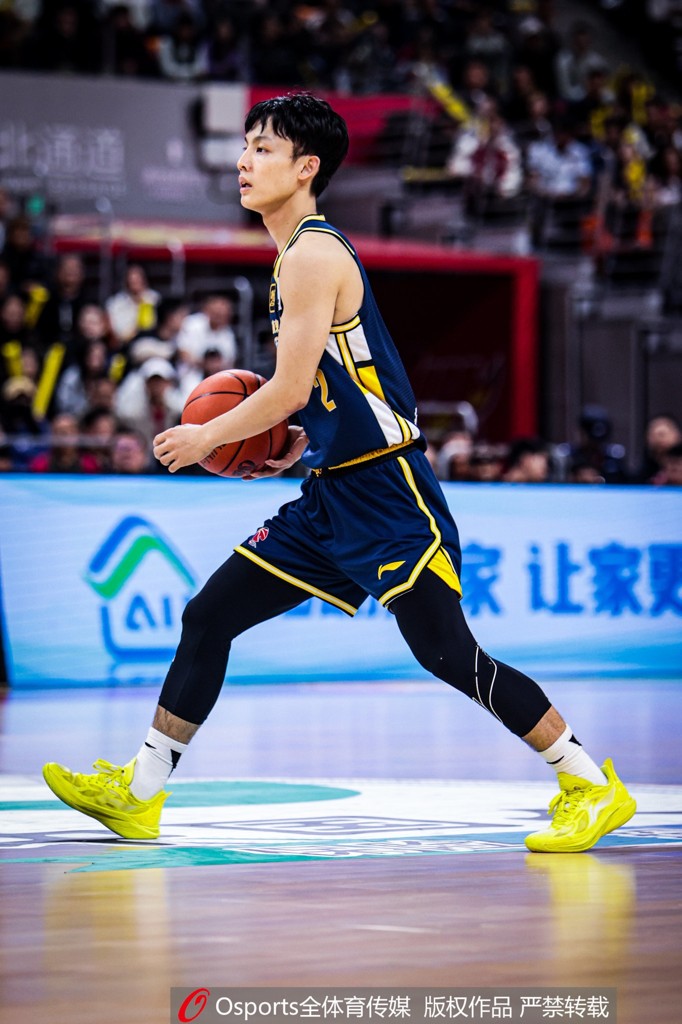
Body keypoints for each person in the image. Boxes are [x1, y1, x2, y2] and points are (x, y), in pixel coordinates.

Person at [42, 93, 636, 854]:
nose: (243, 162)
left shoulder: (312, 256)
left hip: (387, 492)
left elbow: (288, 389)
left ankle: (589, 782)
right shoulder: (293, 256)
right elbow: (334, 389)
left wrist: (205, 438)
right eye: (245, 146)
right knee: (208, 616)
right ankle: (139, 794)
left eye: (262, 148)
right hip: (330, 491)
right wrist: (300, 447)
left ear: (306, 167)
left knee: (448, 654)